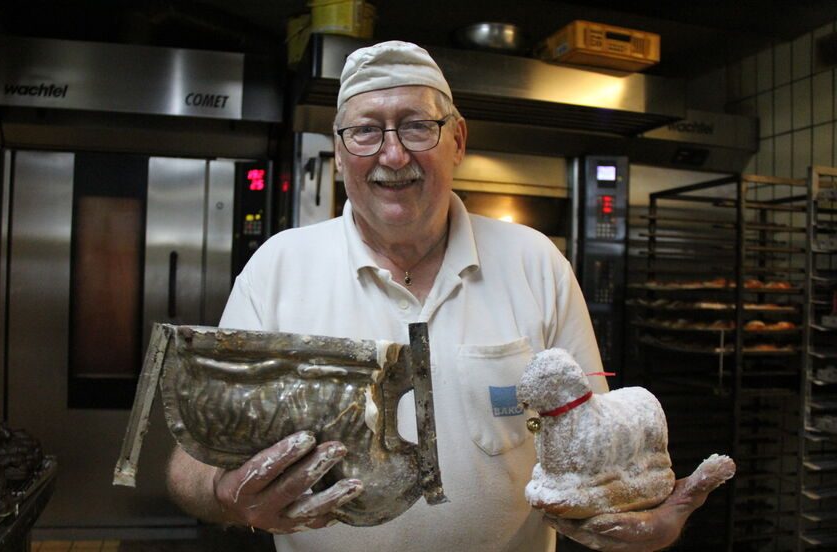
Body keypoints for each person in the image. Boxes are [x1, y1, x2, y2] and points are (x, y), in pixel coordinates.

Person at [167, 40, 729, 552]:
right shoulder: (278, 270)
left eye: (417, 126)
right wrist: (225, 493)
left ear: (457, 140)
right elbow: (191, 464)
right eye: (366, 131)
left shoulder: (536, 264)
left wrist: (644, 516)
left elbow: (593, 445)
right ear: (338, 154)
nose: (392, 155)